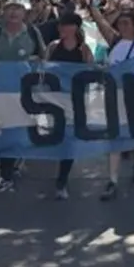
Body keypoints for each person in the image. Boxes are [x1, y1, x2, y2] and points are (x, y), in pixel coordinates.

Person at [0, 0, 46, 193]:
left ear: (24, 12)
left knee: (18, 128)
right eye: (9, 9)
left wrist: (35, 61)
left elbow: (43, 56)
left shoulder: (31, 32)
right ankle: (7, 172)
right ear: (3, 13)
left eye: (18, 9)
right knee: (5, 129)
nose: (13, 13)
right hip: (0, 91)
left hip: (24, 91)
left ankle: (10, 169)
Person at [89, 3, 134, 200]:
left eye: (127, 23)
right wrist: (95, 5)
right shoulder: (115, 41)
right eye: (121, 23)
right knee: (115, 137)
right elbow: (100, 22)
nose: (123, 26)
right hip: (113, 96)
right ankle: (113, 180)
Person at [47, 11, 96, 200]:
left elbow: (90, 73)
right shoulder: (53, 47)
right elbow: (44, 69)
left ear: (75, 28)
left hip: (74, 101)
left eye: (66, 25)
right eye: (60, 26)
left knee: (69, 140)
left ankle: (62, 180)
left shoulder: (83, 50)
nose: (62, 29)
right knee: (56, 137)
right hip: (54, 100)